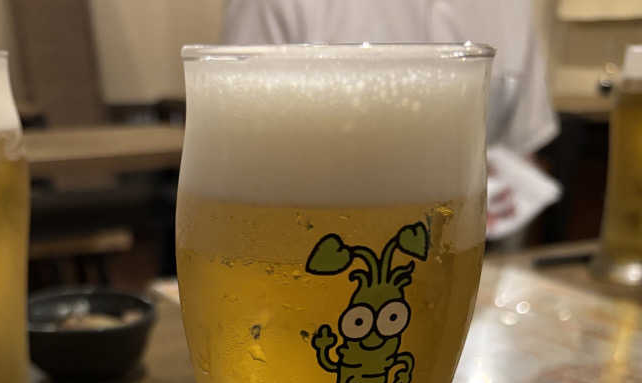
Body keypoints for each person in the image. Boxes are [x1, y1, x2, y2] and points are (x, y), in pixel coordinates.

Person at [222, 0, 561, 241]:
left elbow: (524, 147)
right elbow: (242, 170)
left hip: (471, 275)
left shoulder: (514, 6)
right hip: (315, 268)